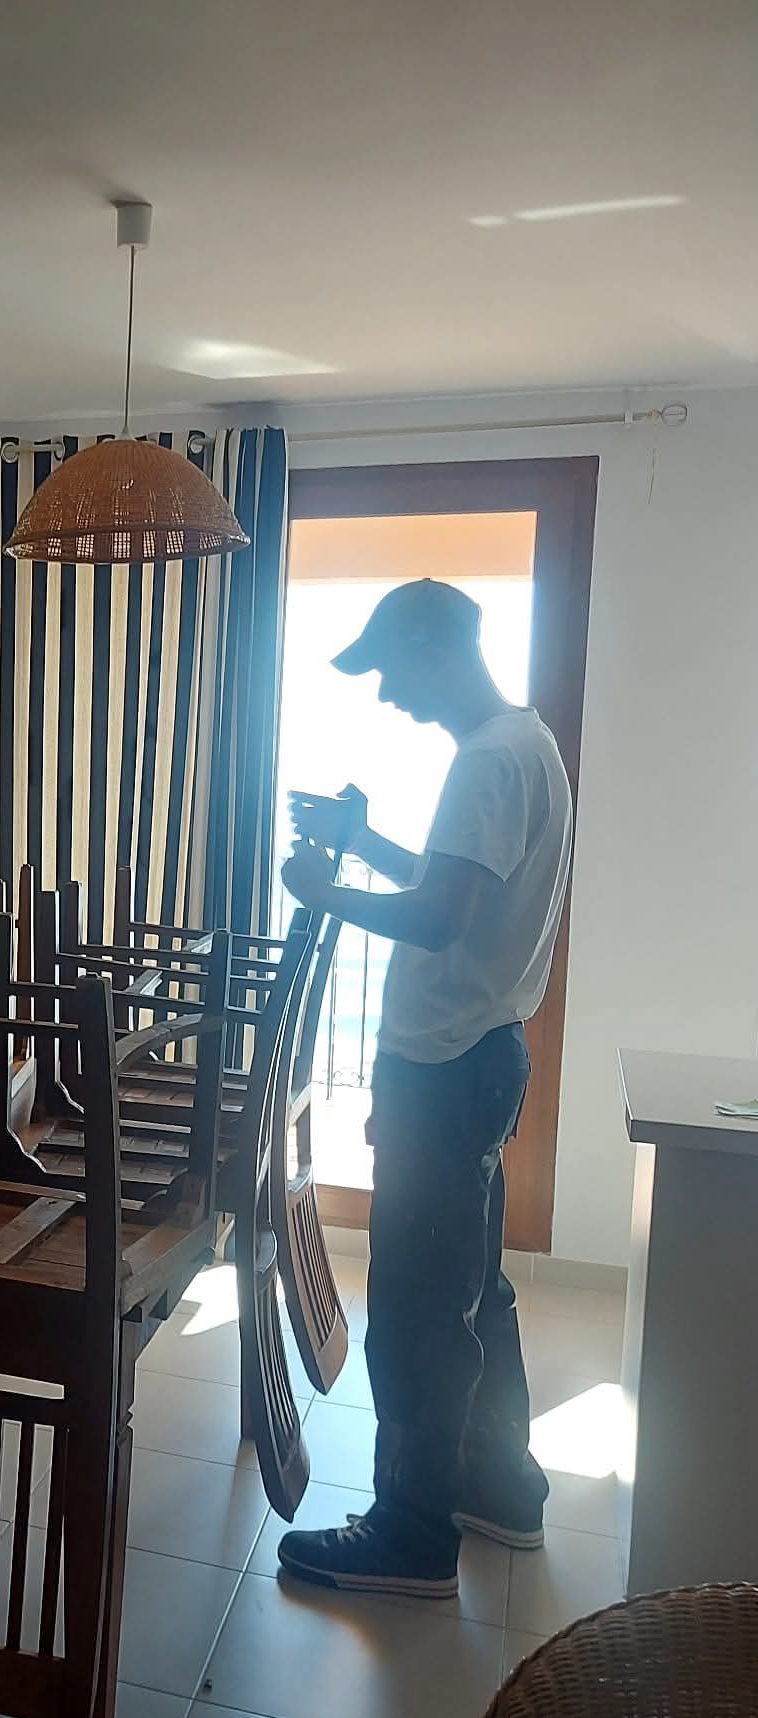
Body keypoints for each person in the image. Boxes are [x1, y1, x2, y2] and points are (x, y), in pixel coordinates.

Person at [275, 578, 572, 1599]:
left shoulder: (486, 757)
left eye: (389, 670)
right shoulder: (523, 741)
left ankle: (409, 1533)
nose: (387, 695)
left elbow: (442, 918)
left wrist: (324, 892)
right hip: (479, 1054)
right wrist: (363, 844)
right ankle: (499, 1487)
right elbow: (457, 883)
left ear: (430, 647)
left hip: (445, 1069)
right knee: (472, 1289)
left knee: (412, 1307)